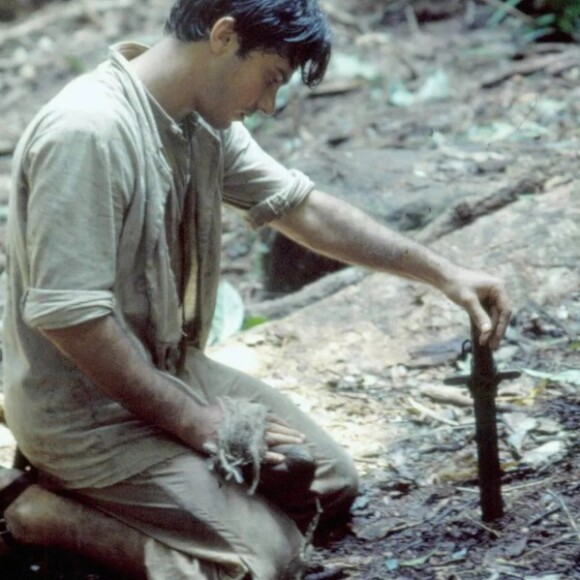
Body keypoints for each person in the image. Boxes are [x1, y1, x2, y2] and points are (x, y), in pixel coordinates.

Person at [0, 0, 511, 578]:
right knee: (263, 563)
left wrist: (444, 273)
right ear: (223, 36)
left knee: (326, 483)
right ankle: (35, 513)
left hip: (164, 369)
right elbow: (73, 320)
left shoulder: (196, 118)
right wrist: (196, 424)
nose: (267, 104)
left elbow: (303, 210)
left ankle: (170, 500)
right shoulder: (88, 132)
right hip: (82, 411)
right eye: (270, 79)